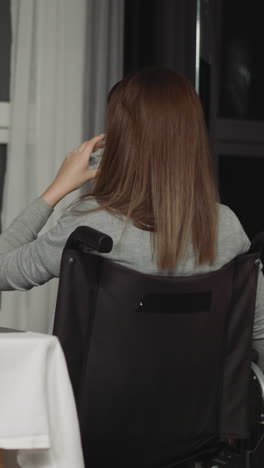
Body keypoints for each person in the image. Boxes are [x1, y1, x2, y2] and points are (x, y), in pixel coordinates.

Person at [0, 67, 264, 369]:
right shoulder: (226, 227)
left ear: (120, 141)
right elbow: (259, 331)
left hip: (98, 413)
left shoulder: (89, 225)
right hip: (202, 415)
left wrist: (56, 189)